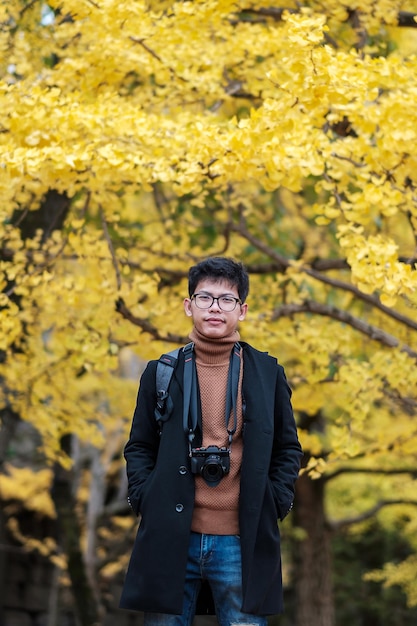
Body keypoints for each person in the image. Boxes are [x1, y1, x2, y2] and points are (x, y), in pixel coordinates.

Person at [119, 257, 303, 626]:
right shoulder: (161, 372)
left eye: (226, 300)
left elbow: (287, 448)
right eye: (205, 298)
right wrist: (144, 496)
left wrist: (274, 502)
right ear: (189, 306)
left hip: (242, 539)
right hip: (171, 534)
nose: (215, 307)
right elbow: (139, 445)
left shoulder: (267, 373)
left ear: (243, 310)